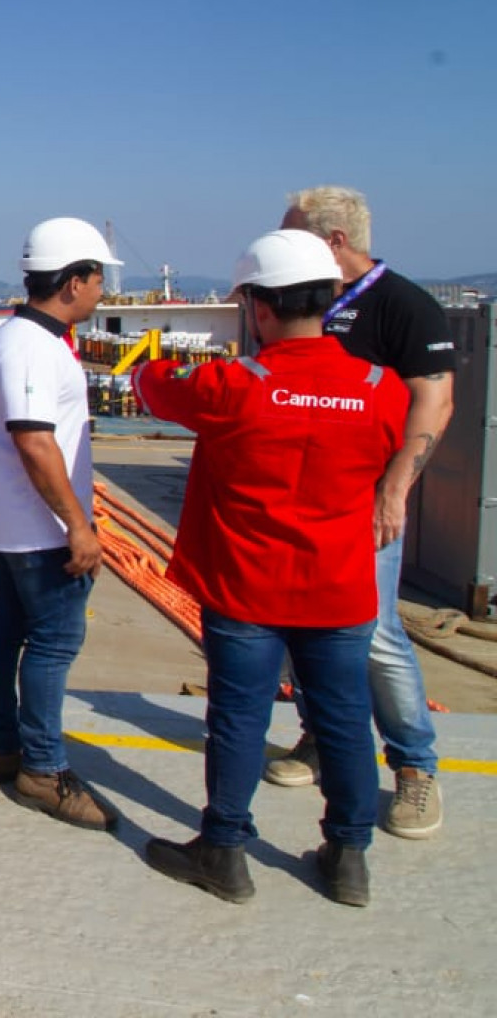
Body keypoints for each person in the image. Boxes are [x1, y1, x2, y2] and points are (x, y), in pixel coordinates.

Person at [135, 230, 407, 906]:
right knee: (344, 721)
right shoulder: (383, 390)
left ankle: (224, 850)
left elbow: (153, 385)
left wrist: (148, 370)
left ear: (257, 308)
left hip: (247, 589)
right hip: (340, 591)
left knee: (237, 718)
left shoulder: (234, 386)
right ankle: (348, 858)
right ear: (331, 298)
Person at [268, 187, 454, 839]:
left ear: (335, 241)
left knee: (374, 633)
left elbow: (434, 403)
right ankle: (320, 739)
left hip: (364, 503)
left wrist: (396, 489)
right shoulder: (304, 303)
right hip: (298, 502)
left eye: (292, 234)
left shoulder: (404, 307)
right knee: (299, 625)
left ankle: (412, 766)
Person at [0, 216, 120, 831]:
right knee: (53, 644)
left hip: (12, 524)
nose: (101, 290)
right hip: (39, 530)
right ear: (74, 280)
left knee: (4, 633)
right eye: (97, 278)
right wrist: (78, 526)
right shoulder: (33, 345)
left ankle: (1, 749)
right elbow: (33, 440)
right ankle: (42, 768)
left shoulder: (13, 337)